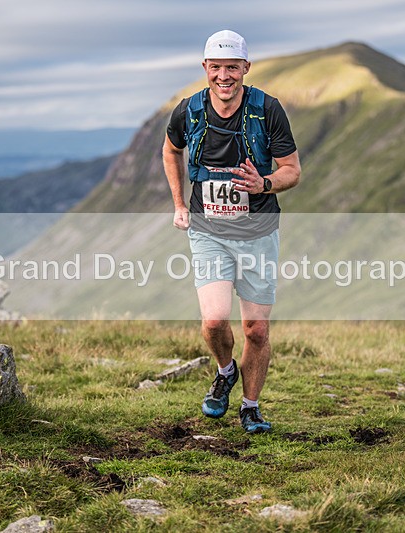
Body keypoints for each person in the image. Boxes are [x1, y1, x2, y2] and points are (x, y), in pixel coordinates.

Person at [162, 30, 301, 433]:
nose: (225, 76)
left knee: (256, 330)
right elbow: (171, 150)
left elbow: (292, 170)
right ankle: (225, 371)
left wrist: (265, 184)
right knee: (213, 322)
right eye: (217, 67)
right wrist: (178, 203)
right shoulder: (187, 111)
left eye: (232, 68)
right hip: (208, 229)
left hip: (258, 231)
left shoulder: (267, 110)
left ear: (245, 69)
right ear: (206, 69)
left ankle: (251, 406)